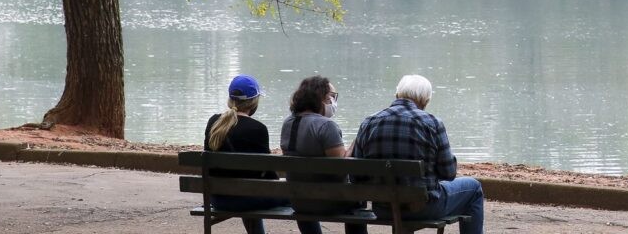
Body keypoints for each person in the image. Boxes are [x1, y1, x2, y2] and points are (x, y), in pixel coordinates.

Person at [352, 74, 484, 234]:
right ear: (426, 100)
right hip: (424, 208)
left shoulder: (369, 122)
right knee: (474, 188)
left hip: (382, 208)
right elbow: (449, 173)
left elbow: (356, 176)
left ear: (397, 95)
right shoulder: (432, 123)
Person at [280, 76, 367, 234]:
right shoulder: (327, 126)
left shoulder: (288, 123)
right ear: (320, 97)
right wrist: (358, 139)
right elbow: (341, 167)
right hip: (331, 201)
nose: (334, 102)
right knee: (358, 199)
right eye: (332, 97)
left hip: (298, 200)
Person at [204, 74, 287, 234]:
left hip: (218, 199)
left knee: (248, 188)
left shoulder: (213, 122)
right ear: (253, 102)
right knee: (295, 194)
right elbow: (269, 175)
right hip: (248, 198)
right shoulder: (258, 129)